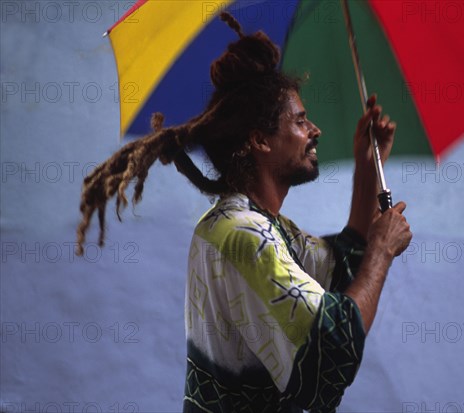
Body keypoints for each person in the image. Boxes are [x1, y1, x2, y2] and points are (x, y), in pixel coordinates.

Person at [76, 12, 411, 413]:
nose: (316, 130)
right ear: (260, 141)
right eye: (301, 120)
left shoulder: (256, 224)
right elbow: (329, 349)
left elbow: (343, 266)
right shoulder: (242, 235)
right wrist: (382, 252)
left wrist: (365, 164)